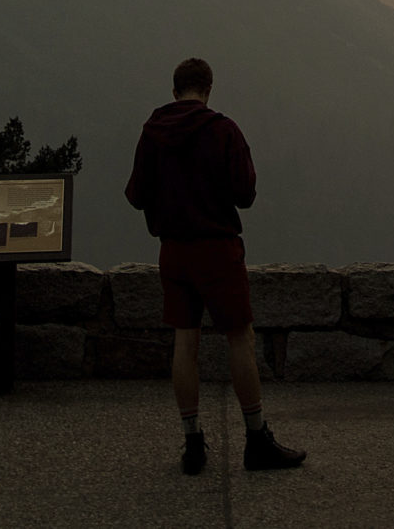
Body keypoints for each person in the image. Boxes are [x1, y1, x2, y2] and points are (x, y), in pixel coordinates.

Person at [125, 56, 306, 475]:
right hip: (218, 249)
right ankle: (256, 439)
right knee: (239, 338)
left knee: (184, 344)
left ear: (174, 92)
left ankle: (192, 444)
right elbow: (245, 194)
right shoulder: (223, 130)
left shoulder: (152, 134)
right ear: (208, 90)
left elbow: (136, 194)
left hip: (173, 250)